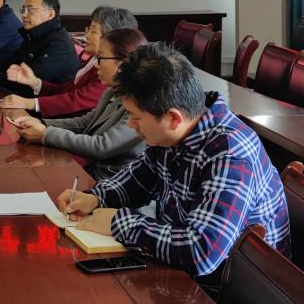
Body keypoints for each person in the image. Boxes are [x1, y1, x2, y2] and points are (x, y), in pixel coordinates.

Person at [56, 42, 290, 284]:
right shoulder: (177, 131)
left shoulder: (230, 154)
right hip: (183, 271)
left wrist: (118, 223)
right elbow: (138, 179)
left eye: (136, 117)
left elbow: (202, 251)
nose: (130, 125)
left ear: (173, 118)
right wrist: (96, 198)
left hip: (229, 287)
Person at [11, 28, 147, 180]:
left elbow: (102, 146)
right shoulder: (112, 91)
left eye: (100, 58)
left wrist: (46, 134)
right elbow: (85, 121)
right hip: (88, 171)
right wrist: (41, 123)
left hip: (110, 183)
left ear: (123, 63)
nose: (96, 65)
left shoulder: (141, 104)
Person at [0, 6, 137, 117]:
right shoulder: (94, 59)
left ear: (113, 38)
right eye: (88, 29)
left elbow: (78, 100)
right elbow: (67, 89)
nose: (86, 35)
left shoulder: (111, 68)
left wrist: (30, 103)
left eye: (93, 31)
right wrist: (35, 83)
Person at [0, 0, 79, 89]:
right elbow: (9, 63)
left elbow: (26, 81)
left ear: (50, 14)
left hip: (44, 104)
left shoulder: (59, 45)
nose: (24, 15)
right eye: (23, 9)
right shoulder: (35, 35)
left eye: (30, 10)